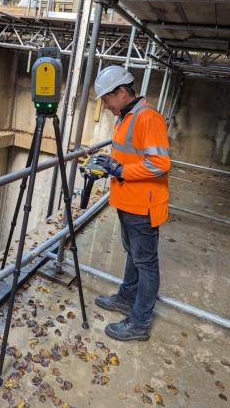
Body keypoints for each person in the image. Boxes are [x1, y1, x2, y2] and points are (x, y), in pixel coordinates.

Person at [93, 65, 171, 341]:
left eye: (107, 100)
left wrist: (121, 171)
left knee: (146, 263)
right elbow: (130, 156)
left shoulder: (148, 118)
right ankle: (126, 298)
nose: (105, 106)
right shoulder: (125, 117)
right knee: (134, 254)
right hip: (128, 201)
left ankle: (139, 323)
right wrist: (110, 165)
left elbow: (160, 164)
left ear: (123, 92)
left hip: (143, 204)